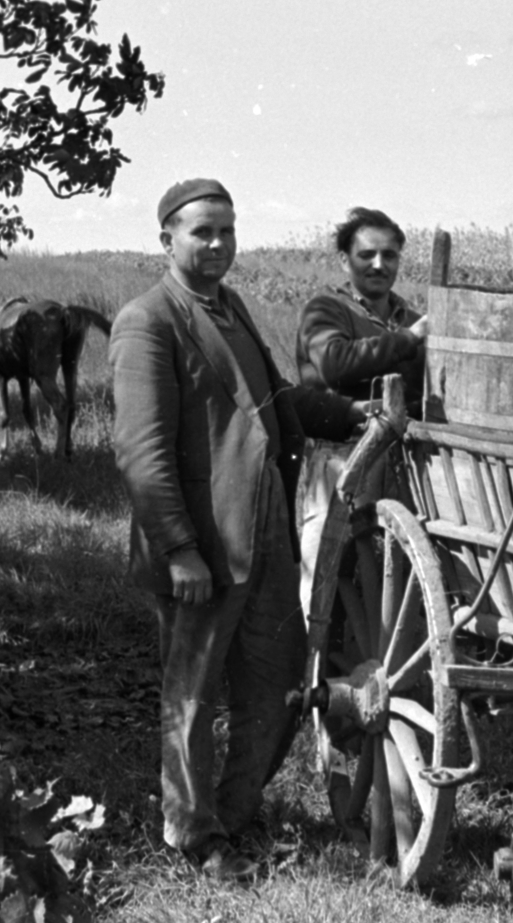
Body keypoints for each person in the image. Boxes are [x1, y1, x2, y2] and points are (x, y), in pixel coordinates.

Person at [109, 178, 360, 881]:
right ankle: (193, 833)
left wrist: (349, 417)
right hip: (203, 547)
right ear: (167, 240)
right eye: (202, 232)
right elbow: (141, 450)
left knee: (276, 680)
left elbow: (274, 401)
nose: (218, 244)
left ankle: (236, 810)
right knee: (189, 693)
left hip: (266, 536)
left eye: (227, 230)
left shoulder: (232, 309)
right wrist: (180, 548)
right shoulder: (147, 321)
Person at [293, 207, 428, 600]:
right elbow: (335, 364)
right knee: (327, 570)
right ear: (344, 260)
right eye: (367, 254)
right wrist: (407, 340)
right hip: (342, 458)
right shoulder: (326, 309)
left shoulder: (409, 317)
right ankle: (314, 659)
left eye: (389, 255)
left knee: (386, 577)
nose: (379, 264)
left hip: (403, 463)